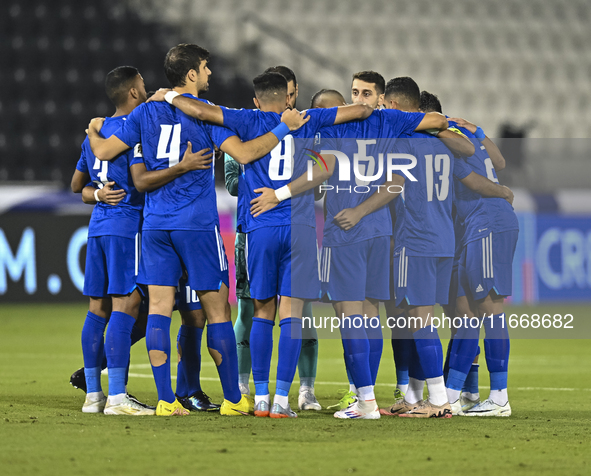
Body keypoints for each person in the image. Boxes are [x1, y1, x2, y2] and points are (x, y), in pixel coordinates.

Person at [87, 44, 308, 416]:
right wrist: (283, 128)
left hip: (155, 226)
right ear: (191, 74)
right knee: (216, 310)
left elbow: (107, 151)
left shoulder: (144, 112)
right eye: (205, 68)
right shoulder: (205, 117)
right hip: (197, 226)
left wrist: (92, 130)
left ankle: (165, 401)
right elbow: (246, 154)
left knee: (158, 308)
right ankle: (234, 401)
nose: (209, 74)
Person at [421, 91, 518, 417]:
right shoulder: (464, 133)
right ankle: (452, 395)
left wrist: (503, 191)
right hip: (474, 227)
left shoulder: (445, 139)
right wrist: (478, 130)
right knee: (466, 311)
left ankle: (500, 398)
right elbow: (500, 163)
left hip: (487, 222)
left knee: (488, 307)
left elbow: (477, 180)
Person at [70, 66, 154, 415]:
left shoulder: (96, 132)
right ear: (133, 92)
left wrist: (97, 196)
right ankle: (117, 396)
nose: (147, 90)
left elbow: (78, 186)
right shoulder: (135, 130)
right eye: (143, 85)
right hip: (125, 226)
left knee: (97, 309)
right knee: (127, 306)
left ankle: (94, 396)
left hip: (98, 228)